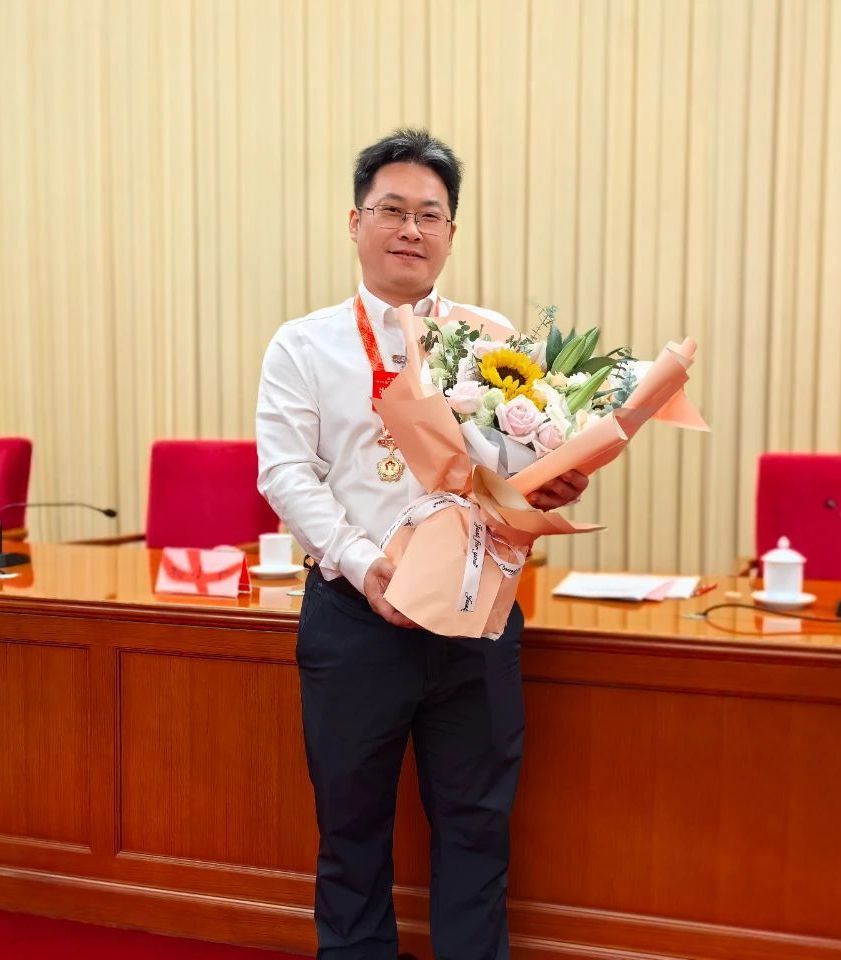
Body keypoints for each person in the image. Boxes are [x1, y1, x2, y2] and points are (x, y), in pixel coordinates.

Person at [255, 128, 588, 960]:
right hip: (355, 618)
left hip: (476, 617)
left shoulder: (493, 340)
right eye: (392, 210)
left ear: (451, 232)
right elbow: (286, 474)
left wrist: (553, 480)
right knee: (352, 830)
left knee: (477, 828)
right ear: (355, 222)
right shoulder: (304, 344)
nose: (411, 229)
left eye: (429, 215)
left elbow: (516, 465)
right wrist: (366, 566)